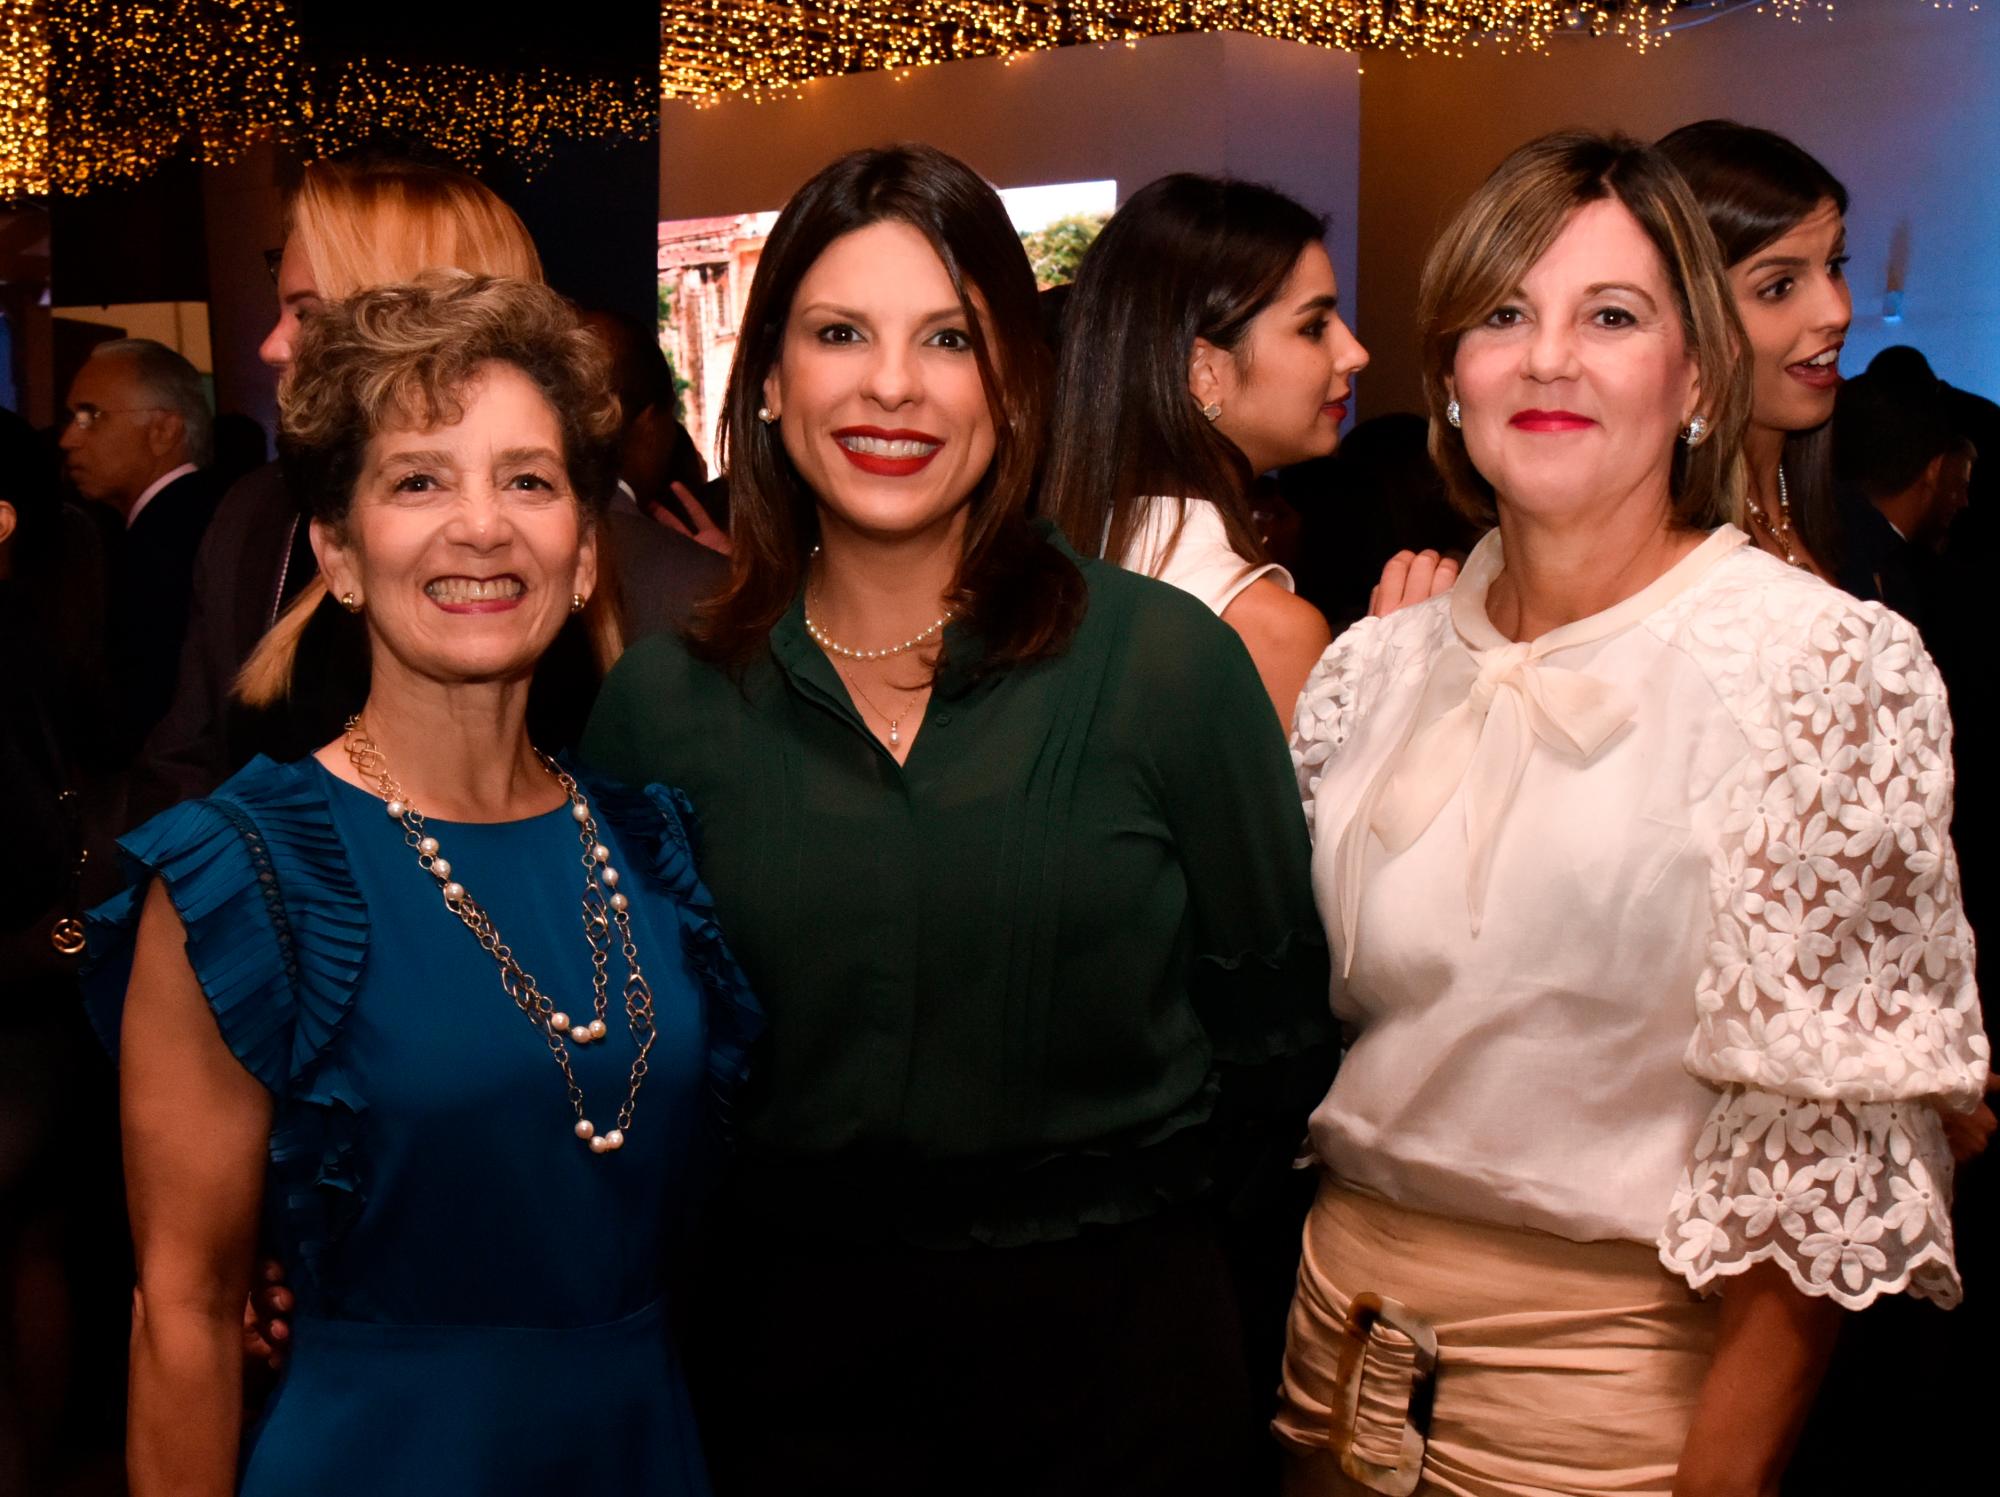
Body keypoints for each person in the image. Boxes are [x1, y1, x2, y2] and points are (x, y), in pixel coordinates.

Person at [580, 144, 1332, 1496]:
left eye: (949, 339)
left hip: (1122, 1382)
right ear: (765, 381)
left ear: (1013, 384)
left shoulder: (1167, 669)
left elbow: (1275, 1040)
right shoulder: (661, 705)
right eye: (838, 335)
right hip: (783, 1386)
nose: (890, 385)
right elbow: (636, 1073)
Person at [1280, 131, 1986, 1497]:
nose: (1549, 358)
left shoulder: (1819, 665)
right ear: (1451, 379)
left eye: (1611, 316)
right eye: (1503, 315)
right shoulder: (1370, 669)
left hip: (1609, 1412)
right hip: (1327, 1367)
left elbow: (1819, 1155)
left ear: (1700, 378)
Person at [84, 274, 757, 1497]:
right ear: (338, 553)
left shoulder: (651, 850)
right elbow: (184, 1315)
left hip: (640, 1449)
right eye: (418, 480)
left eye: (528, 479)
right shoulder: (244, 874)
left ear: (587, 549)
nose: (482, 526)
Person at [133, 158, 725, 820]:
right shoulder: (256, 520)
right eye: (417, 484)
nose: (272, 346)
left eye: (308, 313)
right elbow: (182, 773)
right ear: (338, 552)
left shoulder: (674, 602)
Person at [1041, 175, 1364, 723]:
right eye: (1313, 327)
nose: (1354, 353)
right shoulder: (1264, 630)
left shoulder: (1049, 578)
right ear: (1204, 373)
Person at [1657, 120, 1850, 583]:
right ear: (1688, 317)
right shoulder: (1659, 571)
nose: (1837, 311)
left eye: (1835, 265)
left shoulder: (1851, 520)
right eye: (1779, 286)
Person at [60, 338, 225, 758]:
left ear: (163, 430)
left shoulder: (167, 542)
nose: (68, 439)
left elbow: (144, 711)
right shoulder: (202, 516)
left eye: (89, 416)